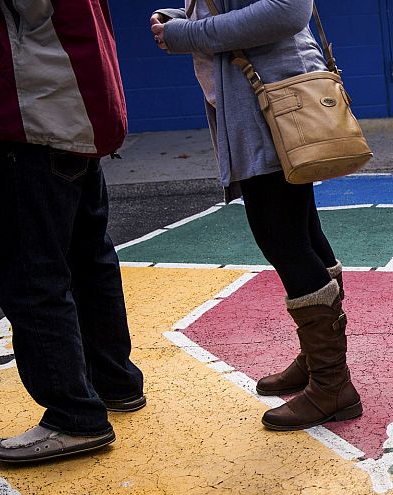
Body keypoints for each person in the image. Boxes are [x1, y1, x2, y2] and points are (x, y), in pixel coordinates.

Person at [0, 0, 145, 463]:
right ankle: (114, 382)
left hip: (32, 117)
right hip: (74, 111)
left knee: (31, 276)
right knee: (88, 260)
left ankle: (74, 417)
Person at [152, 0, 361, 429]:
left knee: (281, 237)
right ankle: (317, 363)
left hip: (272, 100)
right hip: (269, 97)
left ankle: (333, 385)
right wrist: (182, 19)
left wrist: (187, 35)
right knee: (302, 232)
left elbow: (288, 10)